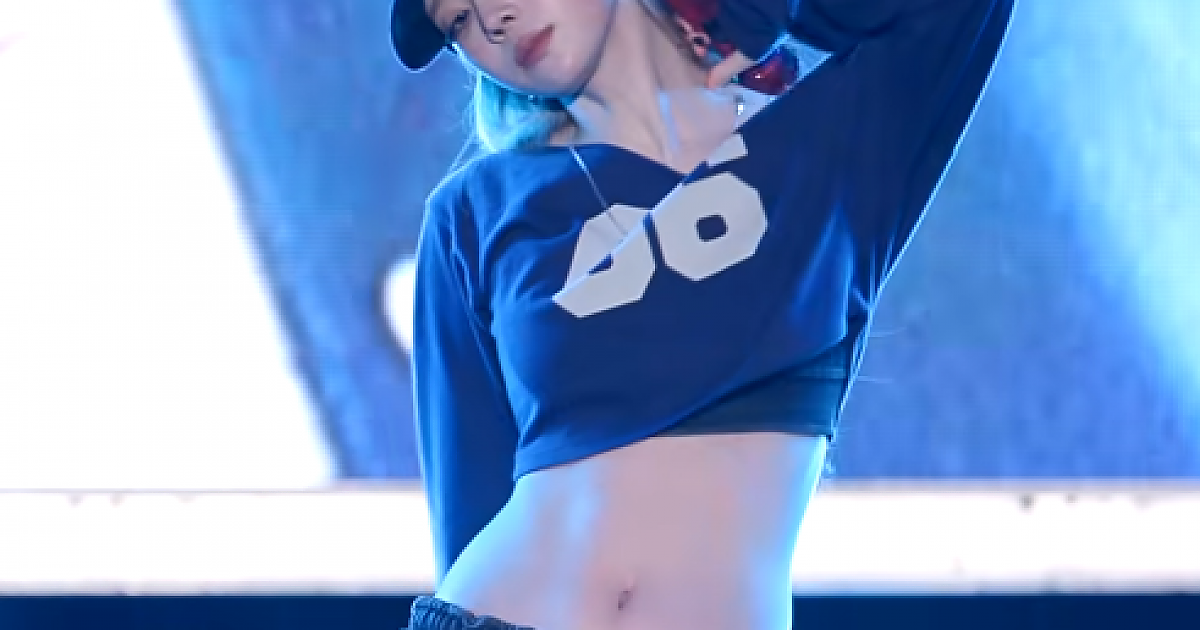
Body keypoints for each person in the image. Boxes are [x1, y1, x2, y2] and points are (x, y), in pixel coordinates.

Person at [391, 0, 1015, 628]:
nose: (492, 19)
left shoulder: (826, 139)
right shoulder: (475, 213)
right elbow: (468, 504)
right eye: (457, 21)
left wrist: (764, 7)